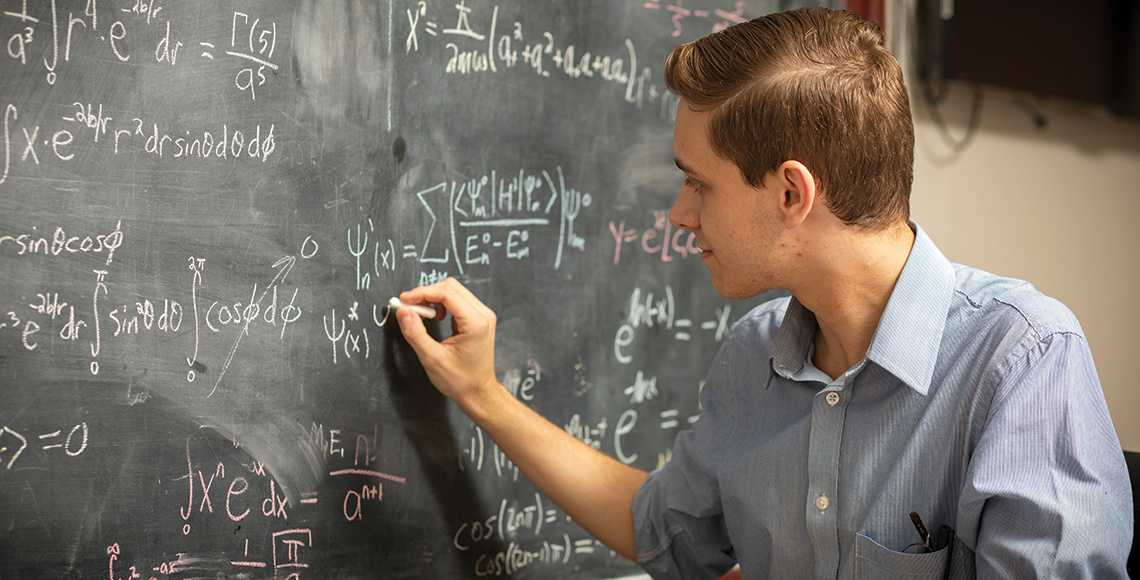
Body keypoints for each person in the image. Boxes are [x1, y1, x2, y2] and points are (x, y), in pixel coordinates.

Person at [393, 7, 1133, 579]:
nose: (680, 214)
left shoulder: (1023, 361)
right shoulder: (754, 359)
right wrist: (482, 392)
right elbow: (659, 526)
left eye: (697, 183)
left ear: (790, 193)